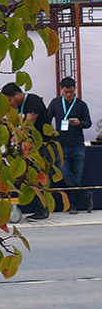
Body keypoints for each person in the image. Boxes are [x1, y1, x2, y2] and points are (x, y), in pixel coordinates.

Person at [1, 82, 52, 220]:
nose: (10, 104)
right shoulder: (16, 108)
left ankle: (43, 209)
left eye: (10, 100)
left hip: (42, 146)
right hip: (28, 146)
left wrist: (15, 136)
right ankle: (36, 207)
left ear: (17, 94)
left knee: (40, 177)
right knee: (29, 177)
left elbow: (28, 125)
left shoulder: (33, 101)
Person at [47, 77, 93, 214]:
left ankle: (73, 205)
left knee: (77, 175)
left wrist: (79, 123)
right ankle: (86, 195)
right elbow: (47, 119)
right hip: (60, 145)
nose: (69, 95)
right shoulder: (55, 103)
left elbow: (88, 123)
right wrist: (50, 134)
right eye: (66, 92)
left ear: (75, 90)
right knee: (65, 173)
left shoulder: (81, 105)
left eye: (72, 92)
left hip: (77, 144)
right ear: (61, 90)